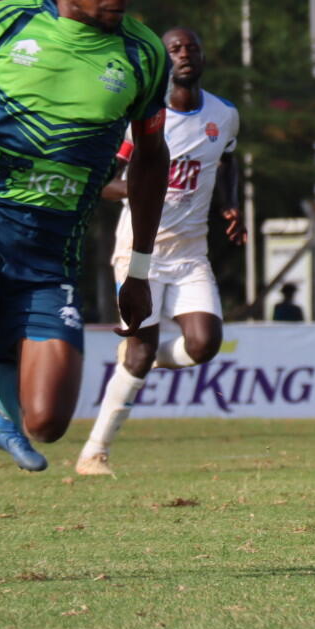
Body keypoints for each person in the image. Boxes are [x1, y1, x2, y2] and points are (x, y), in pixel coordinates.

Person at [0, 0, 169, 473]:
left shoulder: (144, 55)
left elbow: (150, 161)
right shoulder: (9, 22)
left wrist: (138, 271)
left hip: (49, 260)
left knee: (45, 422)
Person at [76, 27, 243, 475]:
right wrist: (139, 187)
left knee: (205, 344)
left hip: (191, 253)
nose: (185, 54)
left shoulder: (224, 114)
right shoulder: (146, 120)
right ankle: (94, 452)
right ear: (164, 61)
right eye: (175, 49)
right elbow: (103, 181)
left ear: (203, 57)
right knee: (140, 353)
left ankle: (140, 352)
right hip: (140, 251)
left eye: (193, 46)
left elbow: (227, 160)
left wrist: (231, 205)